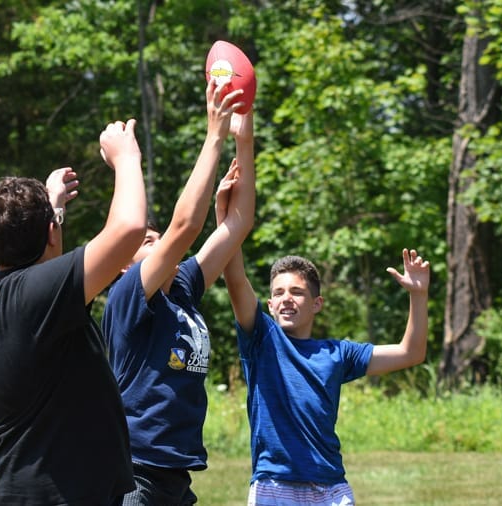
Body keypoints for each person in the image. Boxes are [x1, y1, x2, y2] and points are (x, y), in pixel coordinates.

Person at [0, 118, 147, 505]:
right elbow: (130, 227)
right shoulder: (34, 294)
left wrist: (53, 209)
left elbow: (46, 261)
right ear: (50, 233)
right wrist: (127, 158)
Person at [101, 79, 255, 505]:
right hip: (134, 472)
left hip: (174, 474)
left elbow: (238, 225)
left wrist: (244, 137)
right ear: (123, 263)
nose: (157, 243)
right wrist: (214, 134)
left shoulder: (182, 288)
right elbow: (184, 227)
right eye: (146, 241)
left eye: (156, 238)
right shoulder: (129, 295)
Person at [221, 243, 430, 506]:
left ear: (316, 304)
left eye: (297, 292)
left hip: (330, 487)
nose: (287, 298)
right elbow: (236, 279)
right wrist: (228, 221)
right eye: (279, 292)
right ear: (271, 305)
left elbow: (411, 353)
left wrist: (418, 294)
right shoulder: (261, 339)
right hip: (274, 486)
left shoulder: (338, 353)